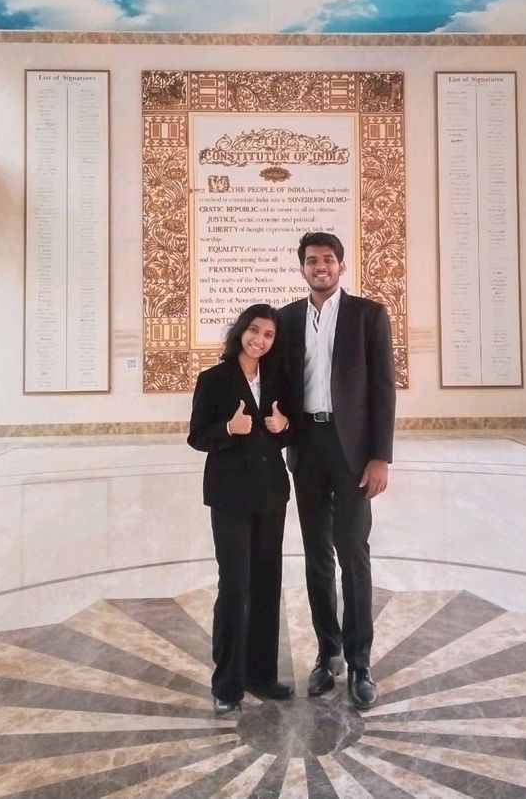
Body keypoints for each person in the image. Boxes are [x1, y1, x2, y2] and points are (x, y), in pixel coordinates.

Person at [279, 232, 395, 709]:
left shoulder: (368, 315)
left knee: (353, 553)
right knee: (316, 555)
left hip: (353, 451)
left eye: (328, 260)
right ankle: (328, 654)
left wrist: (380, 455)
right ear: (302, 268)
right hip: (307, 446)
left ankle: (361, 663)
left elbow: (383, 388)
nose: (320, 267)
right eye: (312, 261)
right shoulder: (286, 319)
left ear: (341, 266)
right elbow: (278, 382)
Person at [188, 304, 294, 716]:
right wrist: (229, 430)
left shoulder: (278, 380)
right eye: (254, 330)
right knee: (235, 585)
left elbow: (287, 434)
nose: (260, 340)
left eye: (268, 335)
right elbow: (197, 436)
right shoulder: (213, 379)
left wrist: (283, 428)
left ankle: (262, 675)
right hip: (230, 496)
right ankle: (228, 682)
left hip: (271, 495)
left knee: (267, 583)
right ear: (241, 331)